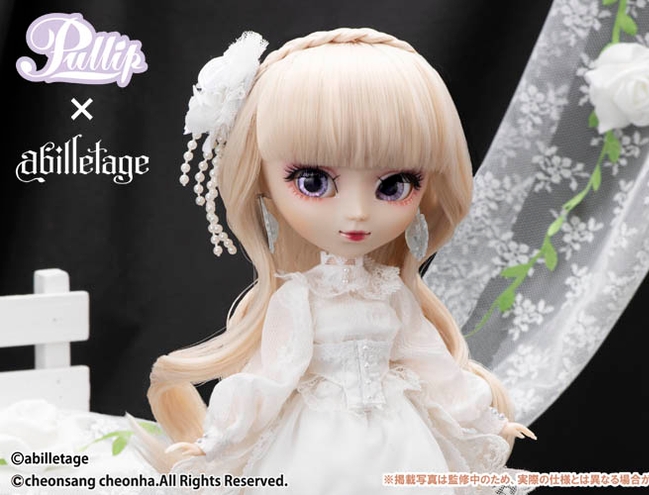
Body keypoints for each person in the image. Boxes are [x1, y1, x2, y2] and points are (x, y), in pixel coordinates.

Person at [142, 27, 536, 494]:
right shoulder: (298, 297)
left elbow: (429, 360)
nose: (357, 213)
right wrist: (219, 440)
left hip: (397, 434)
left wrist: (483, 418)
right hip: (314, 441)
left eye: (394, 185)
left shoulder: (389, 291)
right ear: (262, 180)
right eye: (312, 181)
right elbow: (270, 376)